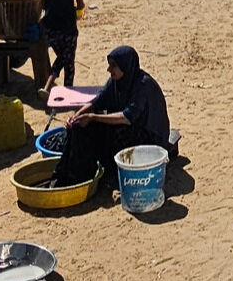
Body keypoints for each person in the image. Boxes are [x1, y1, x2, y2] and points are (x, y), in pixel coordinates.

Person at [54, 45, 172, 186]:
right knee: (85, 128)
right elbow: (96, 102)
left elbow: (127, 118)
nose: (109, 70)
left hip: (151, 136)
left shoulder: (143, 85)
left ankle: (115, 175)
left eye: (113, 66)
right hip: (130, 125)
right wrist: (77, 116)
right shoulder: (115, 82)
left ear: (125, 66)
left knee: (117, 132)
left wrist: (93, 117)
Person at [41, 0, 85, 87]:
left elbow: (42, 4)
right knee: (67, 60)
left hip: (50, 29)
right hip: (68, 30)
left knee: (65, 57)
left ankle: (57, 86)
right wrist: (77, 12)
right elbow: (80, 5)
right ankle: (54, 85)